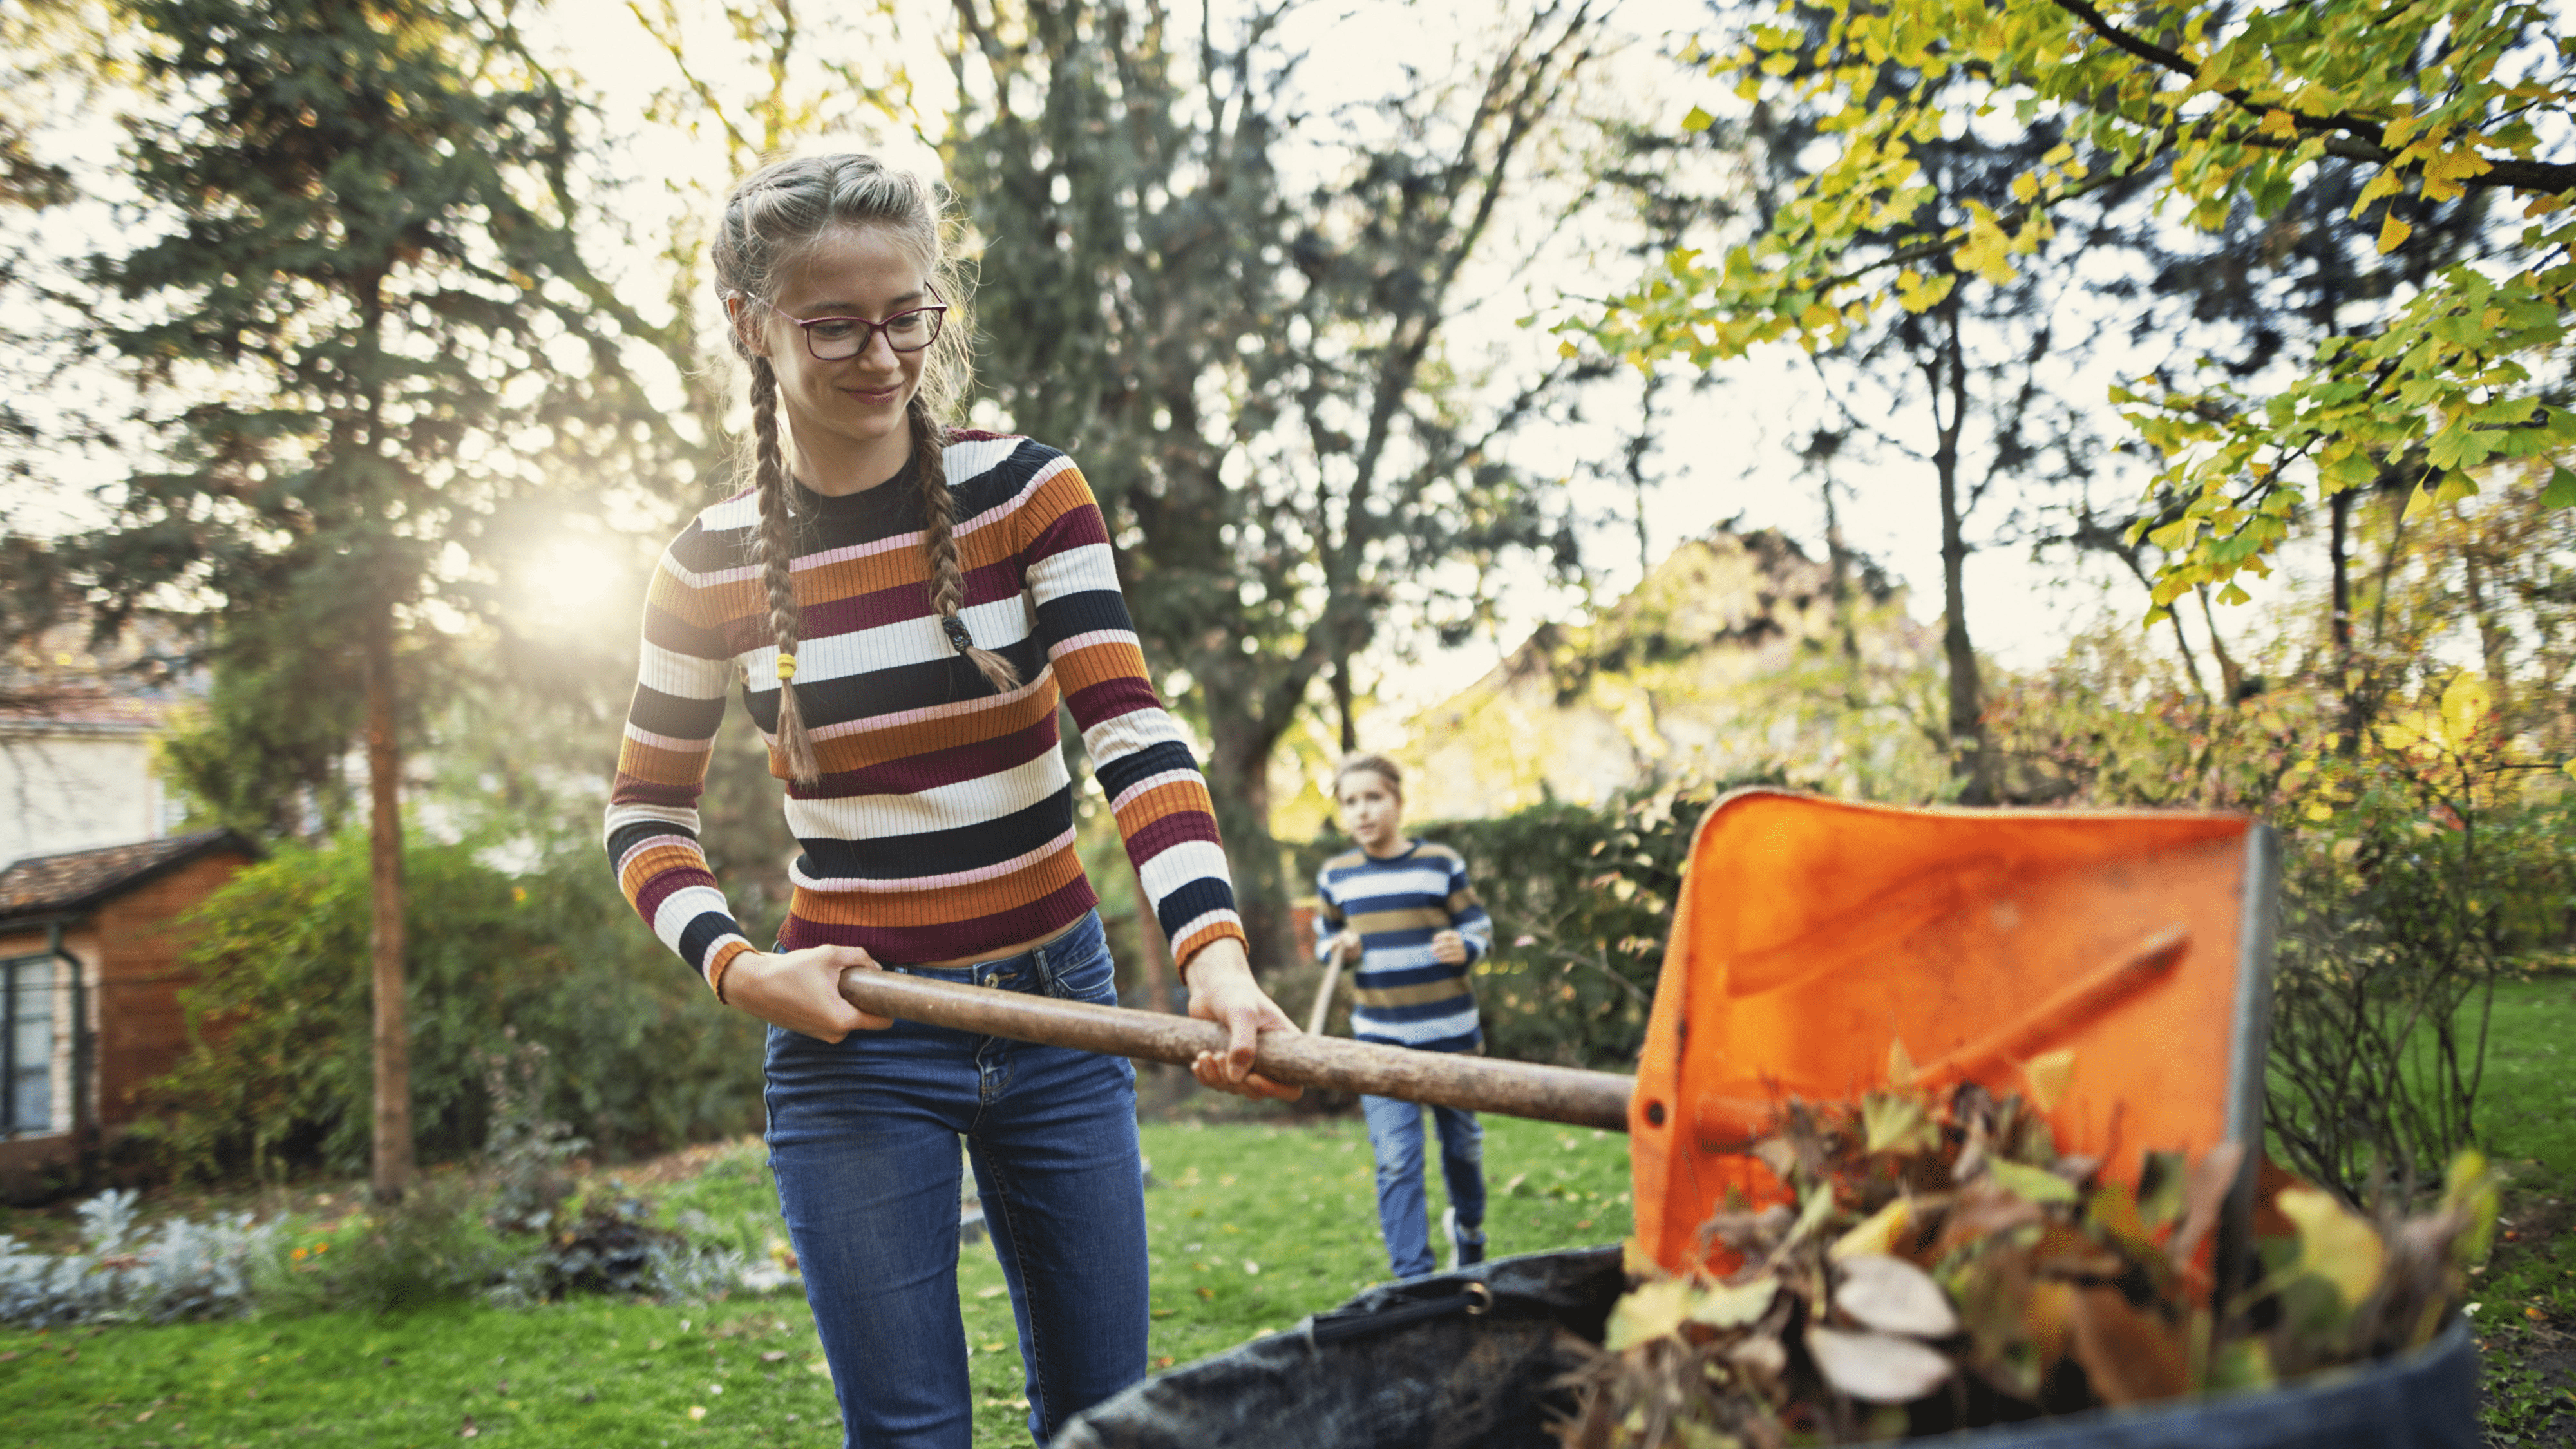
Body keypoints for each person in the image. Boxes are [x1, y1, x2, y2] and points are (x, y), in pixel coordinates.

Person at [601, 151, 1300, 1449]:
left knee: (1105, 1422)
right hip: (855, 1037)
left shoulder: (1027, 495)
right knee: (910, 1434)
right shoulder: (703, 568)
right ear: (752, 327)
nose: (882, 354)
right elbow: (644, 816)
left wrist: (1210, 950)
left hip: (1057, 1013)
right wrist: (740, 969)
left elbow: (1130, 733)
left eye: (907, 314)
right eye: (835, 324)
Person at [1313, 752, 1494, 1279]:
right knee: (1396, 1159)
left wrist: (1466, 945)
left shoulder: (1439, 863)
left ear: (1397, 800)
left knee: (1462, 1147)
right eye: (1350, 802)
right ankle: (1413, 1280)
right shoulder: (1337, 875)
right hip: (1380, 1042)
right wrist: (1338, 948)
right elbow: (1326, 941)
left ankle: (1469, 1231)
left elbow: (1480, 928)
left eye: (1373, 798)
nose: (1362, 812)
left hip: (1451, 1038)